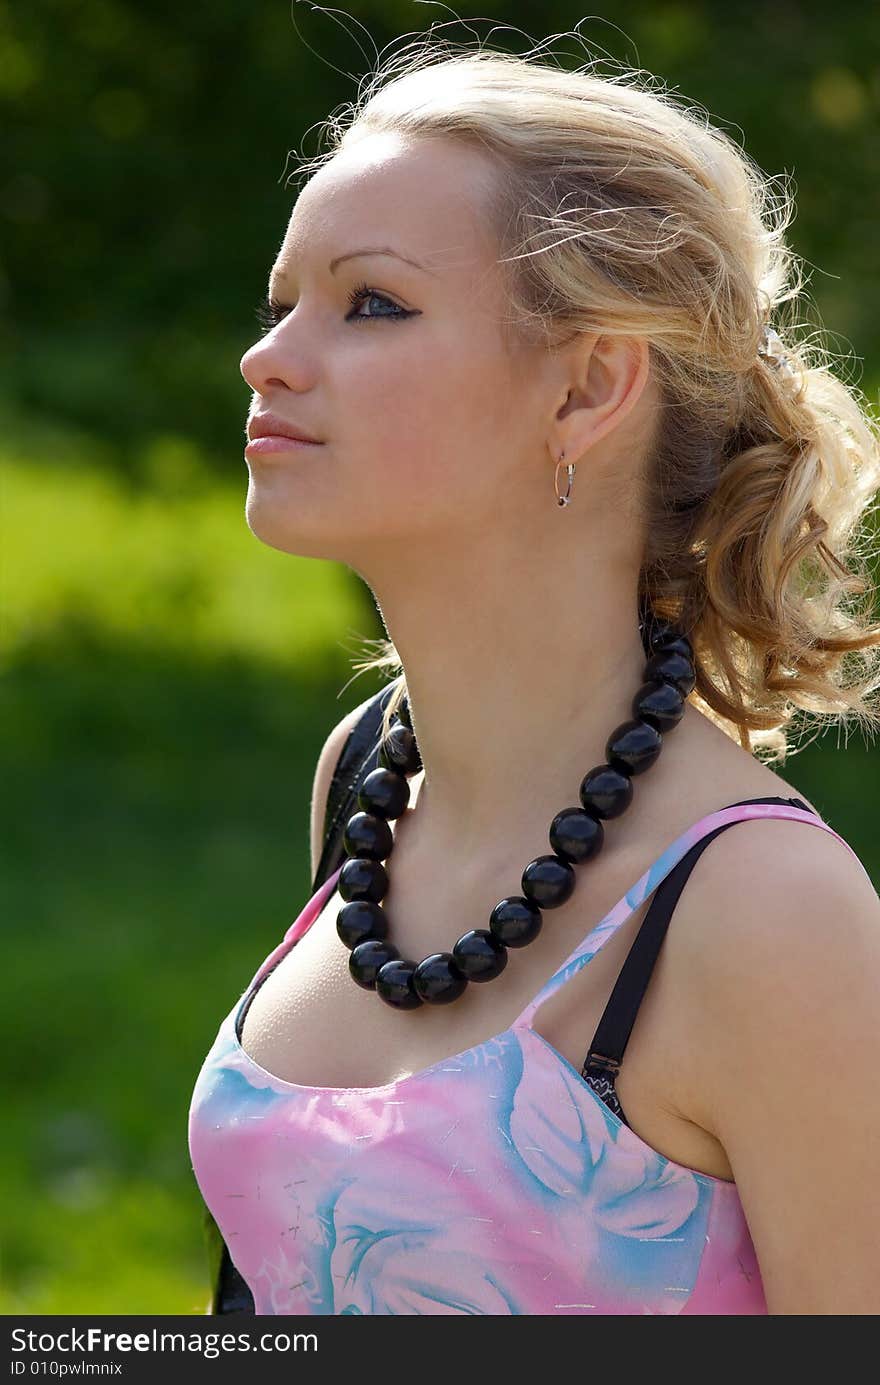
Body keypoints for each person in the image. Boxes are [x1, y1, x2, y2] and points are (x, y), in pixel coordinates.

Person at [188, 40, 880, 1315]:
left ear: (587, 386)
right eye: (280, 301)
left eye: (371, 303)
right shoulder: (368, 774)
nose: (267, 358)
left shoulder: (764, 913)